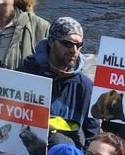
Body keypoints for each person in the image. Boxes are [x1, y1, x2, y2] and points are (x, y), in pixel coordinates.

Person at [20, 16, 99, 147]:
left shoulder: (85, 87)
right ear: (51, 42)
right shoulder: (23, 76)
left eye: (79, 45)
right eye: (68, 44)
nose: (74, 50)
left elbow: (92, 134)